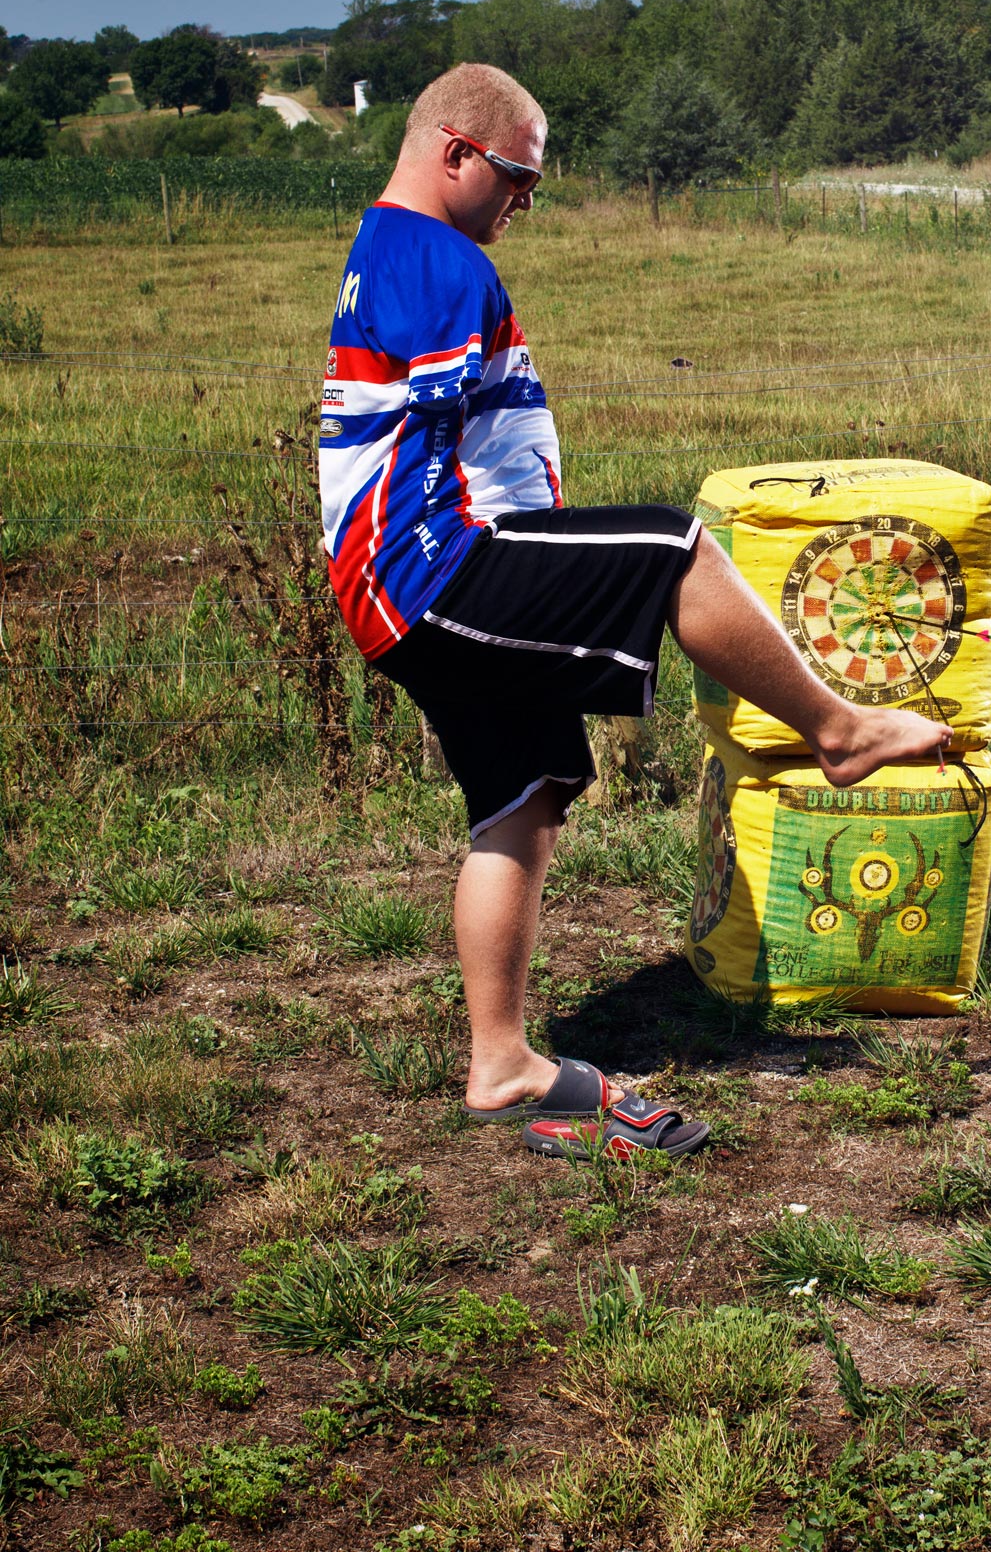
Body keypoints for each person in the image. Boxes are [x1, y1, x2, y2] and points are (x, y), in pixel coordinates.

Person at [319, 63, 950, 1160]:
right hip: (436, 568)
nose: (524, 201)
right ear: (455, 150)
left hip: (400, 586)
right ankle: (841, 730)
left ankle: (503, 1062)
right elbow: (436, 434)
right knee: (669, 545)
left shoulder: (391, 251)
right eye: (516, 177)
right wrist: (539, 551)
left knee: (523, 796)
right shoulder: (436, 259)